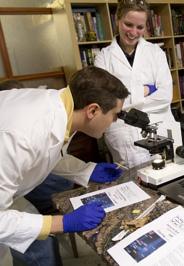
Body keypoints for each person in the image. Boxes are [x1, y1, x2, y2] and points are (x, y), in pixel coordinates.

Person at [0, 66, 130, 265]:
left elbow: (47, 151)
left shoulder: (61, 105)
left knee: (41, 247)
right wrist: (63, 222)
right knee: (38, 254)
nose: (114, 121)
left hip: (8, 187)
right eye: (114, 114)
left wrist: (87, 169)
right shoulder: (21, 136)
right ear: (93, 110)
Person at [94, 0, 182, 168]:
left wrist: (124, 103)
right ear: (117, 20)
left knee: (170, 175)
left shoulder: (156, 53)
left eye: (140, 27)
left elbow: (165, 96)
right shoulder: (103, 57)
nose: (134, 32)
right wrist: (146, 90)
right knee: (132, 183)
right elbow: (105, 101)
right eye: (128, 24)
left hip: (161, 128)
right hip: (123, 136)